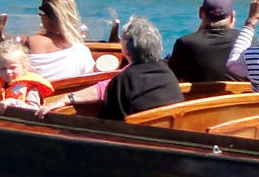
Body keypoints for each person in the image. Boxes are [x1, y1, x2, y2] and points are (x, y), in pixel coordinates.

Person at [43, 16, 185, 120]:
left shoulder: (123, 80)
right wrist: (70, 97)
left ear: (126, 50)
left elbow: (108, 124)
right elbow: (103, 89)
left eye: (121, 39)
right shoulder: (168, 74)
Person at [0, 0, 96, 81]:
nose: (40, 16)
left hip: (31, 109)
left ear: (46, 16)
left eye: (41, 12)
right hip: (64, 107)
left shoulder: (28, 43)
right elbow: (89, 83)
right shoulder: (81, 50)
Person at [167, 0, 250, 82]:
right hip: (238, 96)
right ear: (231, 16)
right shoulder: (248, 41)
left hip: (198, 97)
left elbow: (172, 80)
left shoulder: (184, 43)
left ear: (200, 13)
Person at [0, 41, 53, 114]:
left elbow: (35, 110)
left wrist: (13, 102)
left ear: (24, 67)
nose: (8, 72)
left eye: (13, 68)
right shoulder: (0, 84)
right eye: (3, 69)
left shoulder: (31, 88)